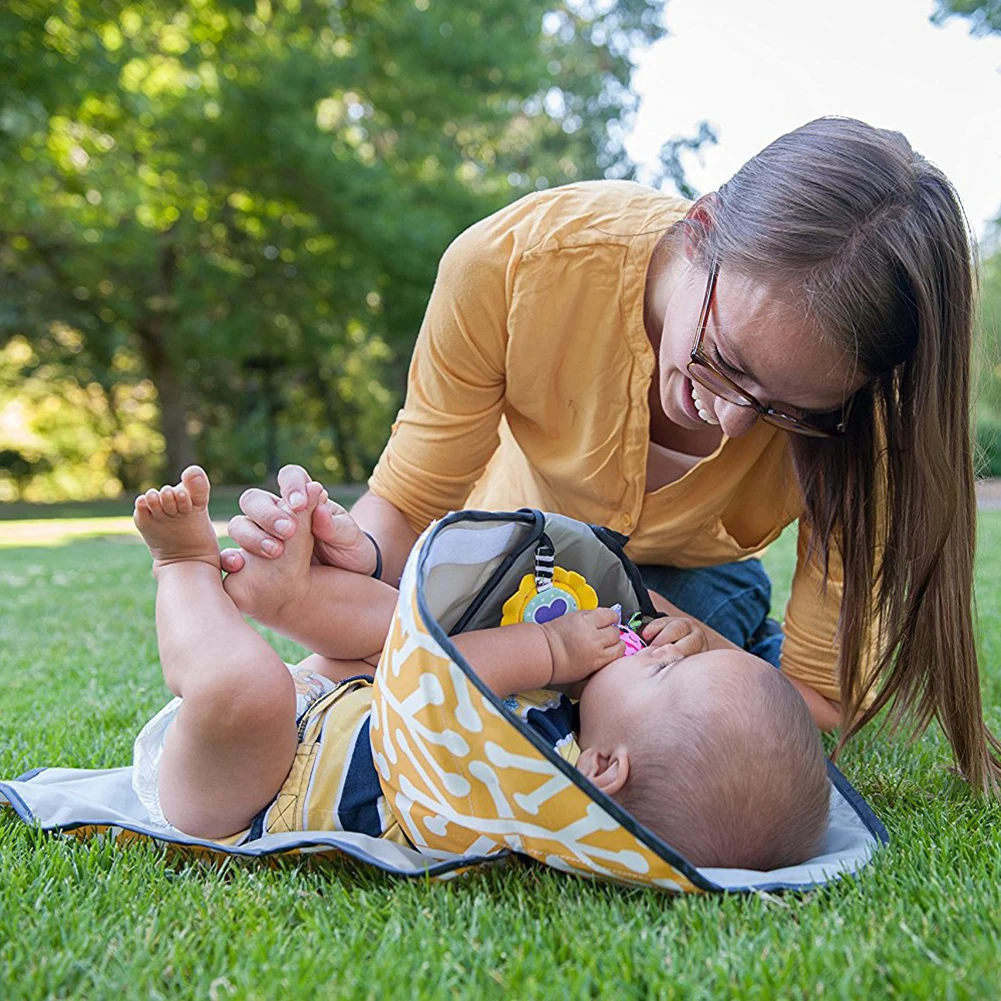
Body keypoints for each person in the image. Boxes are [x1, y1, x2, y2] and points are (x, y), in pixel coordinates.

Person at [221, 116, 1000, 791]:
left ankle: (724, 634)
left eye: (787, 412)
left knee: (656, 733)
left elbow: (816, 703)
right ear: (699, 230)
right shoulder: (512, 264)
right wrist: (345, 556)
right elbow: (409, 507)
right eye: (723, 358)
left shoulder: (871, 427)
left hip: (681, 587)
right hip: (493, 553)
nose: (731, 422)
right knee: (402, 658)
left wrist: (693, 650)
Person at [131, 466, 829, 869]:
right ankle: (292, 598)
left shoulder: (531, 798)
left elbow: (429, 677)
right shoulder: (579, 725)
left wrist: (550, 651)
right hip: (335, 708)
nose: (664, 648)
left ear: (605, 768)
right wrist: (656, 640)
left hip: (247, 791)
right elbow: (412, 646)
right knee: (406, 623)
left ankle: (182, 570)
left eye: (663, 670)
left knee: (245, 688)